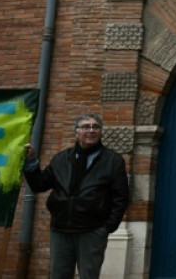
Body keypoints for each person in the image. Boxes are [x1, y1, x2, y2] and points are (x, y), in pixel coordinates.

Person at [24, 113, 129, 279]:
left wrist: (108, 227)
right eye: (86, 127)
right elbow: (40, 184)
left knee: (89, 275)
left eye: (96, 127)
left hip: (92, 230)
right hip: (61, 229)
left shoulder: (113, 160)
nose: (91, 130)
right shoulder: (61, 159)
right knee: (58, 275)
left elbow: (121, 197)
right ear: (77, 132)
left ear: (101, 132)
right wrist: (31, 163)